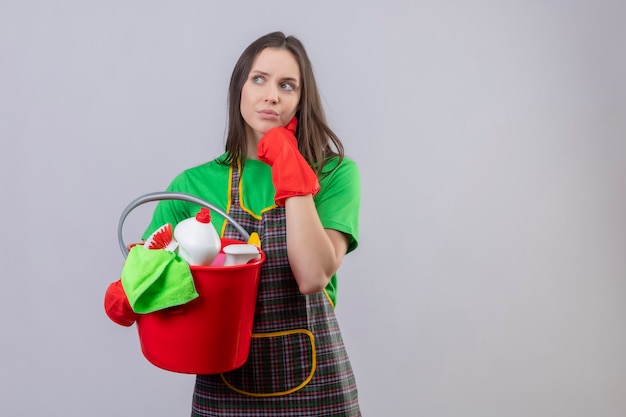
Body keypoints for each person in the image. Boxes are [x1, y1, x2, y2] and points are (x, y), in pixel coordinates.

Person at [104, 31, 362, 416]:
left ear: (299, 100)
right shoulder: (192, 187)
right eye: (259, 79)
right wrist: (136, 286)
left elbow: (312, 277)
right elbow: (150, 271)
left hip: (318, 388)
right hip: (224, 386)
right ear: (238, 88)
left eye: (287, 85)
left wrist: (293, 172)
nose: (271, 94)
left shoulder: (334, 174)